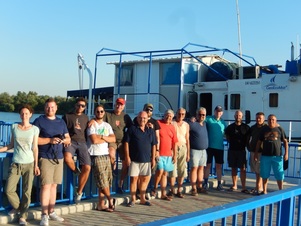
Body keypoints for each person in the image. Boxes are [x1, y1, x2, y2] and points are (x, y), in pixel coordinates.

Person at [33, 98, 71, 226]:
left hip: (58, 157)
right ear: (45, 108)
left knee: (54, 185)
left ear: (56, 108)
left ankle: (51, 211)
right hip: (45, 156)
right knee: (46, 186)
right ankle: (44, 215)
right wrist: (50, 140)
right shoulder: (39, 121)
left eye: (52, 107)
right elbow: (34, 140)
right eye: (48, 107)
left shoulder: (61, 122)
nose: (50, 109)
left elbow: (68, 138)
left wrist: (62, 141)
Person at [0, 104, 40, 225]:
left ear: (30, 115)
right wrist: (1, 149)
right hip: (16, 163)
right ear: (20, 115)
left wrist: (36, 165)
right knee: (8, 190)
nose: (24, 116)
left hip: (29, 163)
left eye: (26, 113)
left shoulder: (34, 129)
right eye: (22, 113)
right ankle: (18, 208)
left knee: (27, 192)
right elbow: (11, 145)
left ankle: (23, 217)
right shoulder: (14, 127)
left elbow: (35, 148)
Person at [87, 104, 116, 212]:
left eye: (102, 111)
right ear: (95, 112)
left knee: (105, 181)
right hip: (96, 155)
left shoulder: (107, 125)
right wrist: (106, 139)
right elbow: (94, 140)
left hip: (105, 154)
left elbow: (113, 139)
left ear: (104, 112)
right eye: (98, 111)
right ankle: (110, 199)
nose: (100, 113)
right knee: (102, 181)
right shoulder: (92, 125)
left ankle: (101, 204)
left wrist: (102, 137)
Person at [124, 111, 157, 207]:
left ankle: (142, 198)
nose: (142, 120)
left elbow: (154, 144)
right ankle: (133, 199)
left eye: (144, 118)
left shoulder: (151, 130)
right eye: (140, 118)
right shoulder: (132, 129)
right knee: (134, 179)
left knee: (145, 179)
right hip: (134, 159)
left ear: (147, 119)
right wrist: (127, 156)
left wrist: (153, 158)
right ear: (137, 118)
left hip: (146, 159)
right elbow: (126, 143)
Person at [62, 97, 91, 204]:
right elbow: (61, 128)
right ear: (75, 105)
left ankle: (79, 192)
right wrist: (64, 139)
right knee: (67, 158)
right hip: (71, 141)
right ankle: (77, 172)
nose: (80, 107)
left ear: (85, 107)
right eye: (78, 105)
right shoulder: (67, 116)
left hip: (82, 142)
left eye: (83, 106)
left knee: (87, 167)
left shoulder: (86, 118)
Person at [104, 97, 133, 194]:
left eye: (121, 105)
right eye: (117, 104)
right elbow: (99, 121)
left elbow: (132, 128)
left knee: (126, 163)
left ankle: (120, 183)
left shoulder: (126, 117)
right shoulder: (108, 115)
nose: (118, 106)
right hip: (112, 140)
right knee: (111, 154)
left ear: (123, 106)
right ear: (114, 104)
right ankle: (113, 169)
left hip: (122, 142)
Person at [254, 114, 288, 194]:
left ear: (276, 120)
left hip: (277, 156)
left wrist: (286, 153)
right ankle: (264, 190)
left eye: (273, 119)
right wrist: (256, 153)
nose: (271, 121)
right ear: (267, 120)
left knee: (279, 174)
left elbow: (285, 141)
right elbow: (259, 142)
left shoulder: (280, 129)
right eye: (269, 119)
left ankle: (280, 190)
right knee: (264, 174)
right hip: (265, 156)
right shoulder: (264, 129)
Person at [133, 103, 160, 198]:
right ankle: (138, 192)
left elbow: (157, 137)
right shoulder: (137, 119)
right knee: (139, 175)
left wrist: (157, 150)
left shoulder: (154, 122)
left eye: (150, 110)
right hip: (138, 152)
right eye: (147, 109)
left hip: (150, 150)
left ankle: (144, 191)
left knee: (148, 174)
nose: (149, 111)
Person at [153, 109, 178, 201]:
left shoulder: (172, 127)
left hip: (168, 154)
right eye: (167, 115)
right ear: (164, 115)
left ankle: (163, 193)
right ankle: (154, 187)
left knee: (164, 174)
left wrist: (175, 155)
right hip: (160, 153)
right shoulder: (158, 123)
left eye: (170, 116)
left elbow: (174, 142)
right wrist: (156, 151)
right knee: (160, 171)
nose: (168, 117)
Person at [224, 110, 250, 193]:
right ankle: (234, 185)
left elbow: (249, 138)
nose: (238, 117)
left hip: (242, 150)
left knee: (243, 169)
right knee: (233, 168)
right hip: (232, 150)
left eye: (239, 115)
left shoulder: (246, 127)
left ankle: (243, 187)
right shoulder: (230, 127)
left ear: (242, 117)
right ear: (234, 116)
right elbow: (227, 136)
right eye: (236, 115)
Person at [204, 105, 227, 191]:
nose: (218, 113)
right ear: (214, 111)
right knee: (207, 165)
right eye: (217, 111)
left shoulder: (223, 122)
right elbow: (200, 120)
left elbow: (227, 134)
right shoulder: (209, 119)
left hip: (219, 147)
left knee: (218, 166)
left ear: (222, 113)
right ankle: (205, 183)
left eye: (220, 111)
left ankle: (219, 184)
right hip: (209, 147)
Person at [168, 108, 190, 198]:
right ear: (176, 114)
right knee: (173, 169)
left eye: (183, 114)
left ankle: (179, 189)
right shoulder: (172, 123)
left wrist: (188, 153)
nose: (181, 116)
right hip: (173, 147)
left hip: (183, 147)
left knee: (182, 169)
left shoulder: (186, 125)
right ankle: (172, 189)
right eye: (179, 114)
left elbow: (187, 139)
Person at [188, 107, 209, 196]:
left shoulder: (205, 124)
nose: (201, 116)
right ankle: (193, 188)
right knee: (194, 168)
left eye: (203, 115)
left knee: (201, 168)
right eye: (200, 114)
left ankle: (200, 186)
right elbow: (185, 125)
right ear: (196, 115)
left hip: (203, 151)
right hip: (194, 150)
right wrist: (190, 119)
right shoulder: (192, 124)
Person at [247, 112, 266, 195]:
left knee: (259, 170)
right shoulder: (253, 127)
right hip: (253, 151)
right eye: (257, 118)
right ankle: (258, 186)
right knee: (256, 170)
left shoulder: (266, 128)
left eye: (260, 118)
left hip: (262, 152)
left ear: (263, 119)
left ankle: (258, 187)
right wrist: (248, 146)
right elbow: (248, 137)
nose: (258, 119)